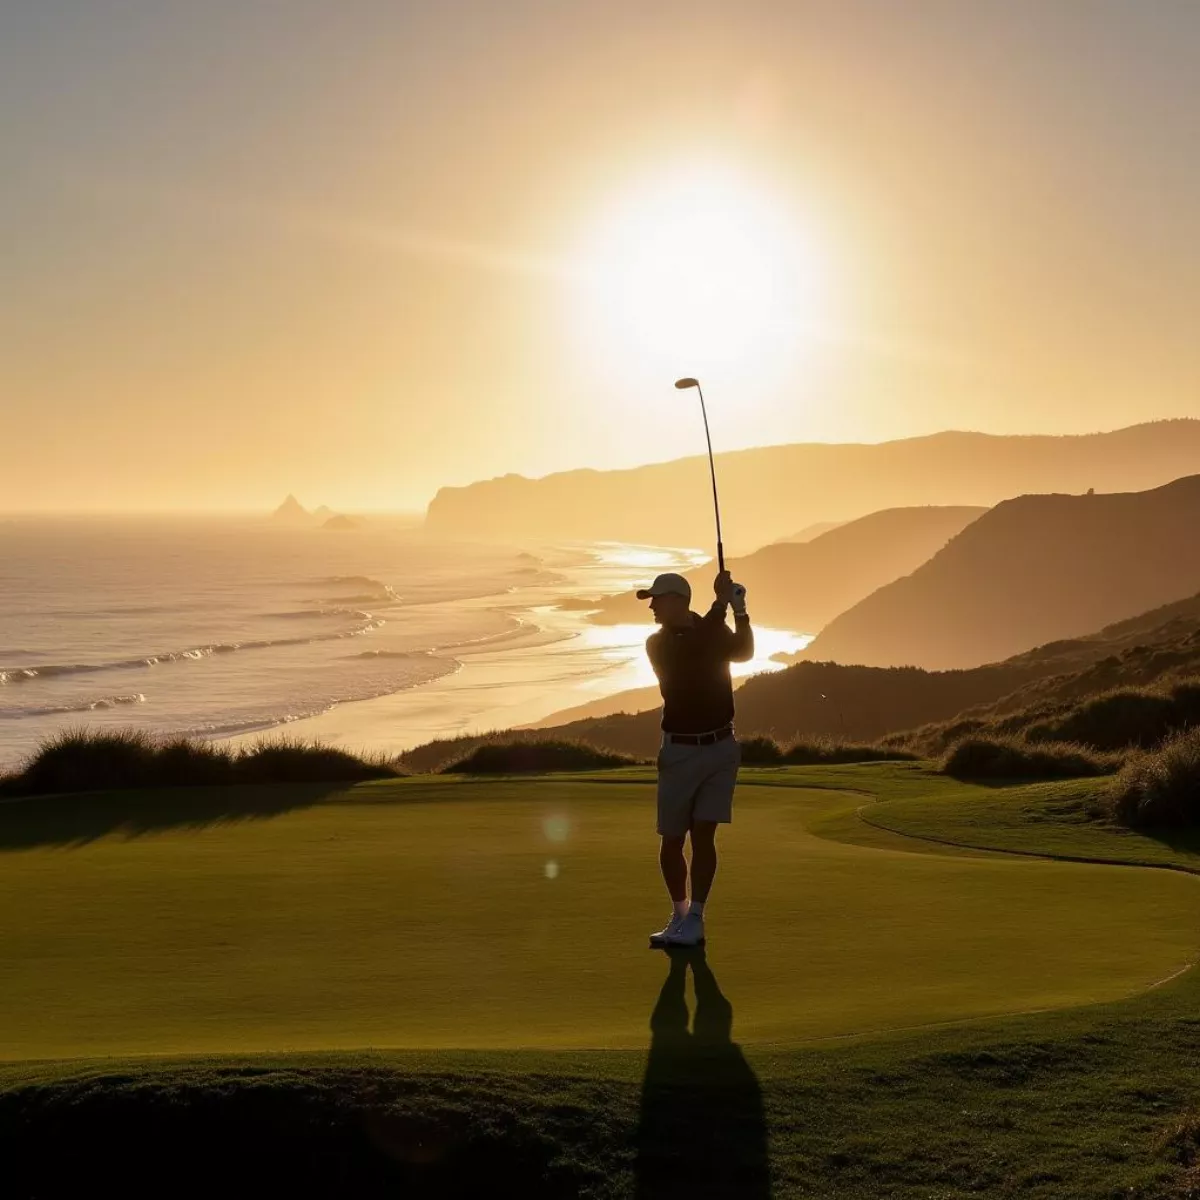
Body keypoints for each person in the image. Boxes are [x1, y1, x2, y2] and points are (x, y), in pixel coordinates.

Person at [637, 568, 752, 948]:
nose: (652, 606)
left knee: (704, 835)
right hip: (680, 750)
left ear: (678, 600)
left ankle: (697, 919)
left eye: (657, 598)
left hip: (720, 748)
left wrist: (740, 612)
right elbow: (690, 656)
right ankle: (680, 913)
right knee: (672, 839)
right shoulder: (659, 644)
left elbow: (744, 652)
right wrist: (719, 605)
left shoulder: (711, 630)